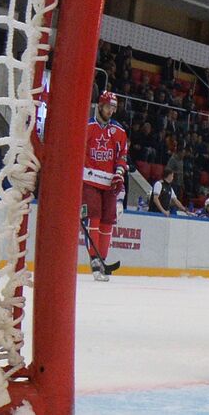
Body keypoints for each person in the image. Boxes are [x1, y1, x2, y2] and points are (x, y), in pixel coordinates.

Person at [81, 91, 128, 281]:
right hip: (90, 181)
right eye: (109, 106)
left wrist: (119, 174)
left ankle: (103, 259)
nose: (112, 111)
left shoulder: (119, 132)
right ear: (100, 106)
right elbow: (80, 155)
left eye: (114, 108)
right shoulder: (88, 127)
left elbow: (122, 157)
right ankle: (94, 259)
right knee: (94, 217)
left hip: (110, 184)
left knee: (108, 220)